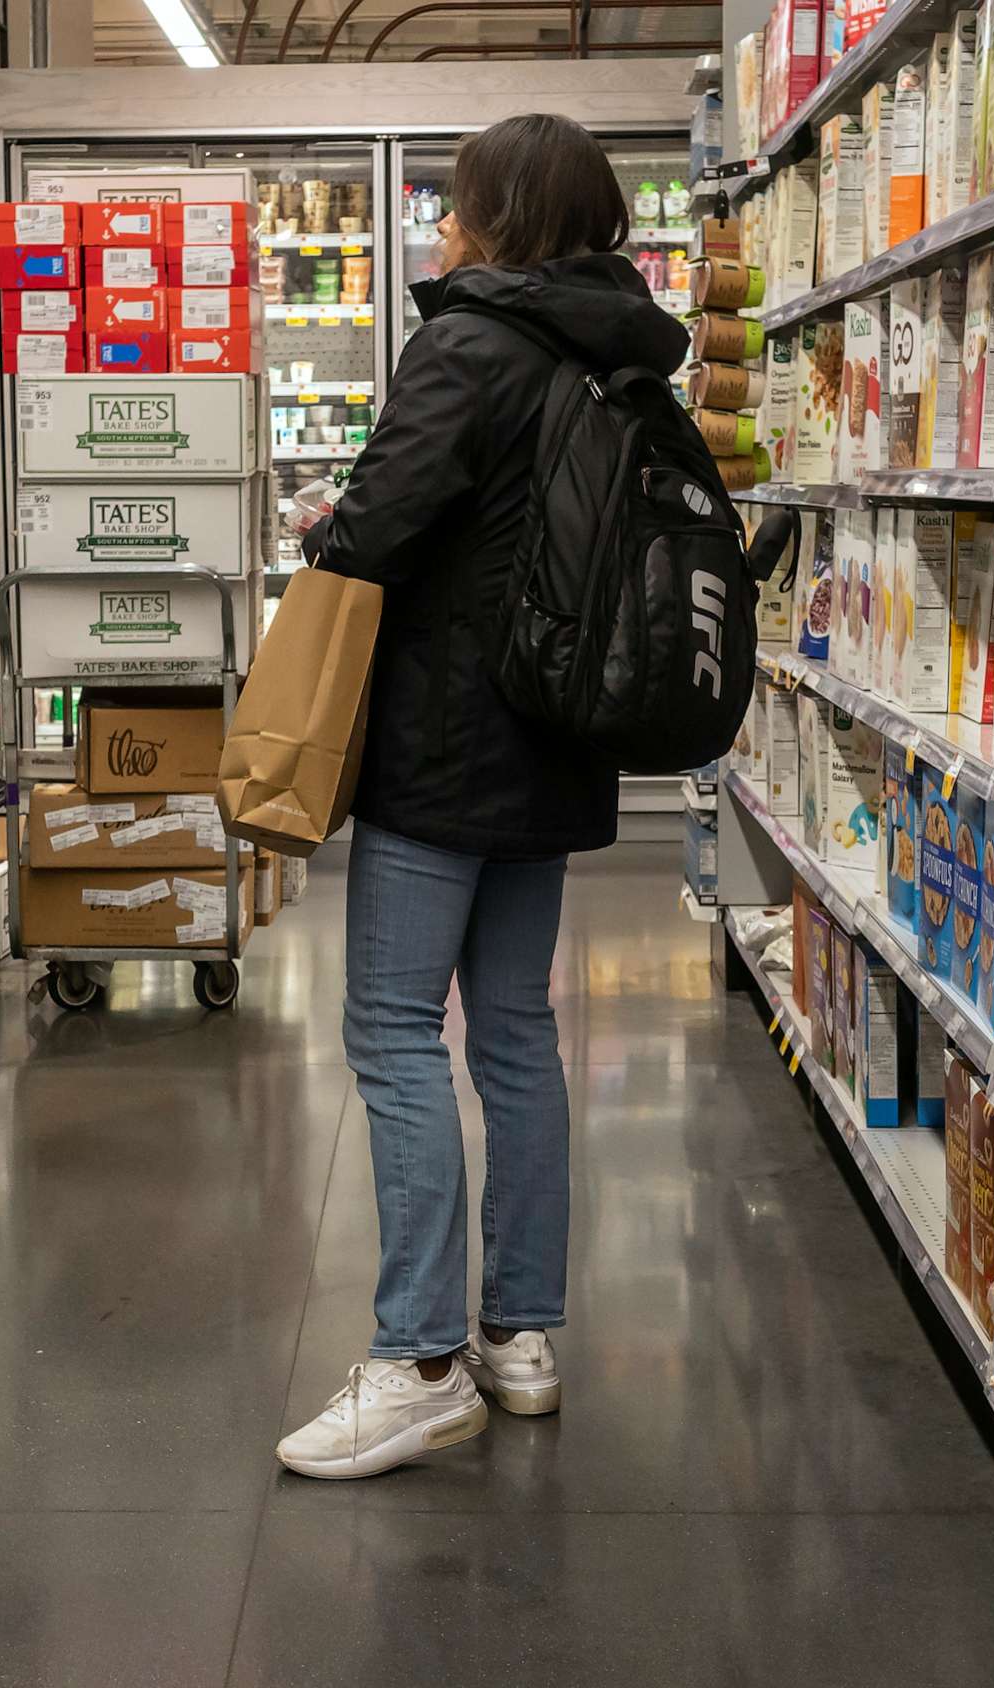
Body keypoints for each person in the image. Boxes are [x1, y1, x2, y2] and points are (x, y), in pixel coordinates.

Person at [272, 114, 689, 1481]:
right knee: (514, 1030)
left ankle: (418, 1359)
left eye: (456, 204)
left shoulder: (467, 341)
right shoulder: (625, 354)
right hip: (560, 738)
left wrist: (325, 526)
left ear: (500, 213)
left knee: (393, 1028)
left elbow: (383, 520)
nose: (441, 226)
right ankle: (520, 1335)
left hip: (444, 742)